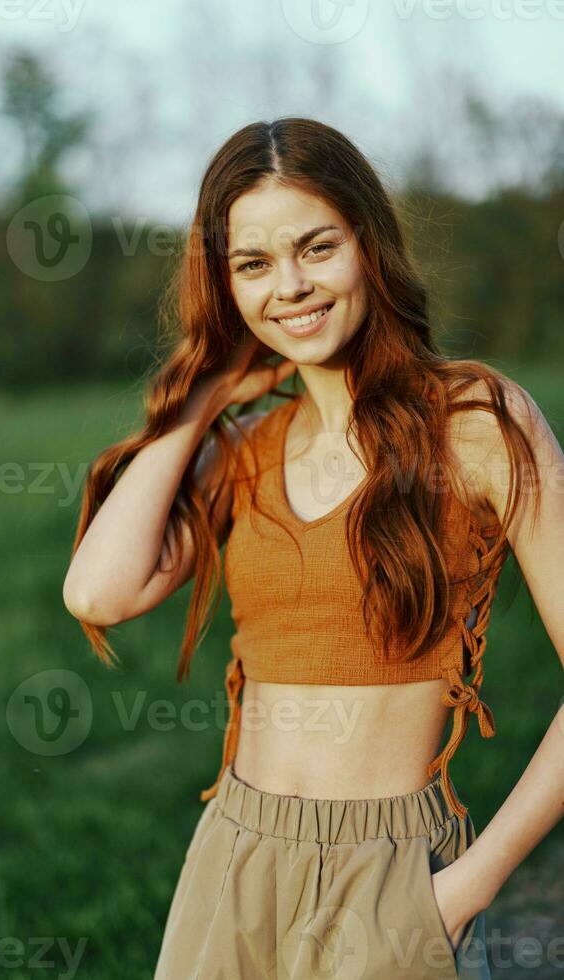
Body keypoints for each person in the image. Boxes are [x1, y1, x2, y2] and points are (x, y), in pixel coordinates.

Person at [62, 117, 564, 980]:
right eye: (253, 265)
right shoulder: (240, 449)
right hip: (232, 855)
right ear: (224, 285)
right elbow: (98, 593)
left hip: (394, 873)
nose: (289, 286)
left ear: (369, 243)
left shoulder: (477, 421)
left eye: (316, 247)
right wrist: (205, 391)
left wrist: (459, 893)